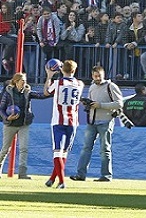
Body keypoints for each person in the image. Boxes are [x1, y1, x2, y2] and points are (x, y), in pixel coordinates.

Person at [70, 65, 123, 182]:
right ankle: (81, 174)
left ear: (103, 75)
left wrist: (101, 105)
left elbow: (119, 104)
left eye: (99, 76)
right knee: (86, 148)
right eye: (95, 76)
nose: (97, 78)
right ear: (92, 76)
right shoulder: (92, 87)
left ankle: (106, 175)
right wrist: (87, 104)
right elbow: (92, 101)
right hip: (92, 121)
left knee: (105, 149)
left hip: (106, 121)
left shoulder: (111, 86)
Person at [43, 60, 84, 189]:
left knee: (57, 152)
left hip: (58, 121)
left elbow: (46, 92)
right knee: (64, 152)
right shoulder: (80, 84)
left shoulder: (57, 83)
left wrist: (49, 76)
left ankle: (61, 182)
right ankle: (52, 179)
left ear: (61, 69)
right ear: (74, 70)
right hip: (73, 122)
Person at [0, 73, 48, 179]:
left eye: (25, 80)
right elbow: (1, 109)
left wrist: (49, 78)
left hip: (23, 124)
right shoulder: (8, 93)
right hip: (10, 125)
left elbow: (43, 95)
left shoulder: (27, 92)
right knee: (5, 149)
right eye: (22, 80)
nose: (24, 82)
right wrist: (7, 118)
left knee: (24, 148)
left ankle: (22, 173)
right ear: (16, 81)